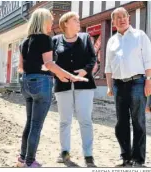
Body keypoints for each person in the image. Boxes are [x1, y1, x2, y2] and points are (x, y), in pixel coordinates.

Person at [17, 8, 88, 168]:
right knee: (36, 125)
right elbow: (49, 64)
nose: (52, 23)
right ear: (42, 21)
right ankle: (30, 162)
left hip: (26, 83)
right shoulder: (45, 39)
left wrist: (57, 74)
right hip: (41, 84)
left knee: (30, 123)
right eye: (50, 20)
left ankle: (22, 158)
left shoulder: (24, 41)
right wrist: (71, 76)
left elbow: (21, 67)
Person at [105, 7, 151, 167]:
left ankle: (138, 159)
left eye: (124, 16)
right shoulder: (112, 40)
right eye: (118, 17)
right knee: (121, 122)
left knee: (138, 121)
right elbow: (108, 67)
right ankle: (125, 157)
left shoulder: (140, 36)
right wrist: (109, 87)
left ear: (128, 18)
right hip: (118, 85)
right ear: (113, 22)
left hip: (138, 82)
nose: (122, 19)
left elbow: (148, 61)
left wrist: (149, 80)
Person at [52, 11, 97, 167]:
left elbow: (93, 58)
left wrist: (85, 70)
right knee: (65, 121)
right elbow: (49, 63)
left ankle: (88, 155)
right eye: (75, 20)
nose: (79, 22)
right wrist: (58, 75)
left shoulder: (85, 38)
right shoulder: (55, 40)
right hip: (62, 86)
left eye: (79, 20)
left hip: (84, 85)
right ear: (65, 23)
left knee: (85, 120)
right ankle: (64, 151)